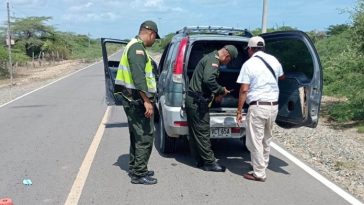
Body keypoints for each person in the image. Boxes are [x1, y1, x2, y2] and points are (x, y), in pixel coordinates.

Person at [114, 20, 160, 185]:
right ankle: (139, 174)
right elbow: (139, 76)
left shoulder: (132, 45)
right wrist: (146, 100)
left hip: (132, 99)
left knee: (136, 136)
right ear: (151, 34)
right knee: (145, 137)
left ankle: (136, 167)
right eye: (155, 38)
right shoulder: (137, 49)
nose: (154, 42)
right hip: (137, 101)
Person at [236, 36, 284, 182]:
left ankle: (259, 173)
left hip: (258, 106)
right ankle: (262, 166)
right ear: (263, 48)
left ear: (250, 49)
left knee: (254, 141)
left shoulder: (249, 64)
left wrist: (239, 111)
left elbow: (244, 90)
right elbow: (282, 77)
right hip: (273, 106)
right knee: (266, 139)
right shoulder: (274, 60)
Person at [185, 45, 238, 172]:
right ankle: (209, 162)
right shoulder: (213, 60)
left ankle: (199, 159)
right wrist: (221, 90)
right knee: (202, 132)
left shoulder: (209, 58)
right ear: (227, 56)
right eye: (229, 60)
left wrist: (215, 94)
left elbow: (205, 82)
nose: (227, 63)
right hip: (197, 102)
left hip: (194, 100)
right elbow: (209, 79)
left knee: (195, 132)